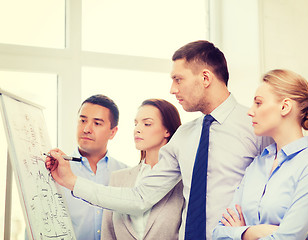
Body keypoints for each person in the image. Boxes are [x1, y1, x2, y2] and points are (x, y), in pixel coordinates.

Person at [45, 40, 272, 240]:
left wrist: (252, 231)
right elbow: (140, 196)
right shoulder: (183, 137)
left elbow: (280, 195)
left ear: (205, 78)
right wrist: (72, 181)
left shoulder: (256, 127)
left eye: (178, 79)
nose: (172, 89)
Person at [212, 69, 308, 240]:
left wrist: (241, 232)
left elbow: (288, 238)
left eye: (258, 103)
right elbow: (218, 233)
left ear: (284, 107)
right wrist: (256, 231)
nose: (250, 111)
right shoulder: (257, 164)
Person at [101, 99, 184, 240]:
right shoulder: (118, 178)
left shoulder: (183, 181)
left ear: (167, 130)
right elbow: (108, 233)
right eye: (136, 123)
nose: (137, 129)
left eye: (147, 124)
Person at [57, 94, 128, 240]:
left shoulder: (126, 175)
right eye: (82, 121)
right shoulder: (57, 171)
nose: (86, 129)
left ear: (112, 132)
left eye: (97, 123)